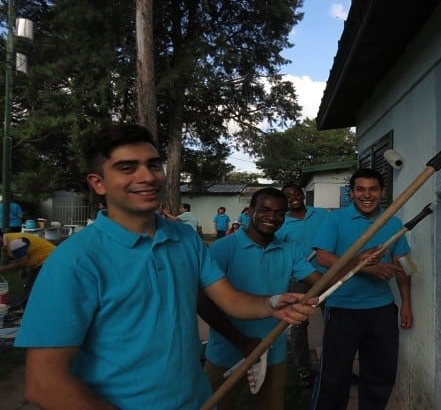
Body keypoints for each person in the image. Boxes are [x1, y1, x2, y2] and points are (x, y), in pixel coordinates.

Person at [14, 123, 316, 410]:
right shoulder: (74, 261)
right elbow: (44, 383)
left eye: (154, 165)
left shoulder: (184, 237)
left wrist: (273, 303)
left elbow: (231, 301)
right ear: (98, 183)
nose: (147, 176)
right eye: (127, 168)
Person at [201, 187, 317, 410]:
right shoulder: (223, 249)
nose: (272, 217)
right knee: (216, 404)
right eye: (264, 210)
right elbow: (204, 303)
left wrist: (356, 264)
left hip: (273, 351)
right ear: (250, 211)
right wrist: (241, 342)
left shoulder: (288, 251)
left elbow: (321, 281)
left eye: (279, 212)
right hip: (226, 352)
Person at [309, 168, 413, 410]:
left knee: (380, 375)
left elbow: (403, 266)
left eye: (373, 189)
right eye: (360, 190)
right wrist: (364, 267)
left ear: (382, 192)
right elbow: (323, 257)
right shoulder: (335, 219)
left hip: (382, 310)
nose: (367, 195)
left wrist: (406, 304)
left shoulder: (392, 222)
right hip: (343, 309)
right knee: (334, 377)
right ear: (351, 193)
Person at [275, 183, 328, 387]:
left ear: (303, 195)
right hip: (298, 280)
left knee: (334, 322)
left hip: (325, 277)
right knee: (298, 325)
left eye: (296, 193)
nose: (293, 197)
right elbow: (278, 252)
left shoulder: (322, 215)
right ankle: (303, 369)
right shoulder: (282, 223)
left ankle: (335, 366)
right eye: (288, 195)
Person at [0, 233, 56, 305]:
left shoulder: (14, 242)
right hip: (41, 262)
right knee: (29, 288)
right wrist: (24, 271)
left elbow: (22, 262)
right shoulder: (9, 241)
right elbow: (24, 256)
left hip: (49, 260)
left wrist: (3, 269)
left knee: (34, 290)